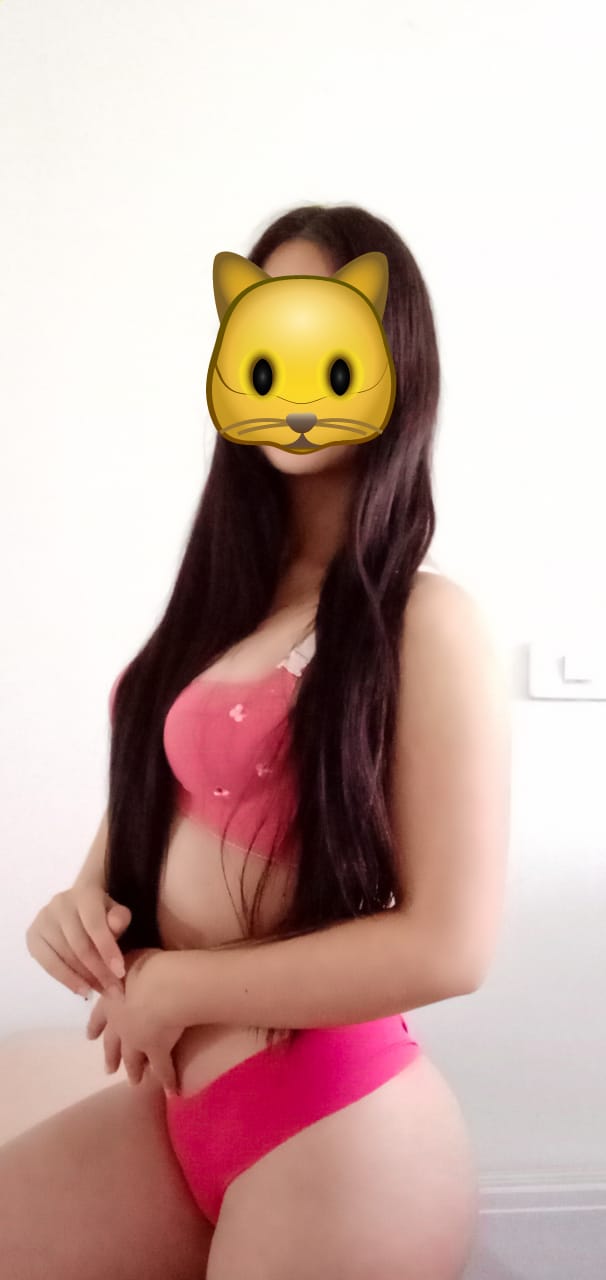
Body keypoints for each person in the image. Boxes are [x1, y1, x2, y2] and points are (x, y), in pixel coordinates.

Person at [1, 203, 511, 1280]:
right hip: (177, 1110)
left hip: (337, 1127)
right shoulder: (223, 607)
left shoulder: (422, 619)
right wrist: (80, 902)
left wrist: (183, 987)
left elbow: (449, 946)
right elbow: (159, 797)